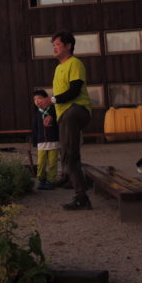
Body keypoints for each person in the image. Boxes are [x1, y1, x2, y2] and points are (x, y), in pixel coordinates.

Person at [51, 31, 94, 210]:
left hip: (77, 110)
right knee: (66, 150)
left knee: (70, 154)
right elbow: (59, 97)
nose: (54, 48)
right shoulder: (58, 68)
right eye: (53, 45)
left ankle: (81, 196)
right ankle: (70, 177)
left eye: (57, 44)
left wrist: (51, 100)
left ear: (68, 46)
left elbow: (74, 90)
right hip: (64, 113)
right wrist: (51, 112)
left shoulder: (75, 63)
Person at [31, 89, 60, 189]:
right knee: (41, 163)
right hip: (41, 142)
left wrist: (52, 117)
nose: (37, 101)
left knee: (52, 162)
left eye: (39, 98)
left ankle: (51, 181)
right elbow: (34, 129)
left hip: (53, 140)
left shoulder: (53, 110)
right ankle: (41, 180)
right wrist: (34, 142)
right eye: (35, 99)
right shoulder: (36, 114)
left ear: (46, 99)